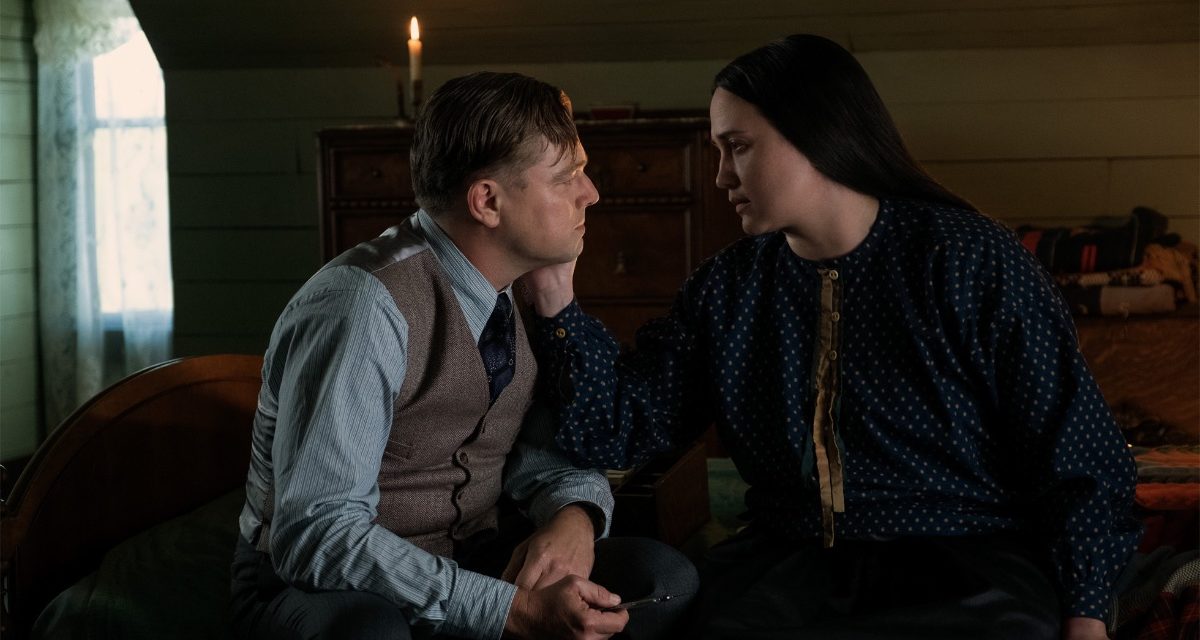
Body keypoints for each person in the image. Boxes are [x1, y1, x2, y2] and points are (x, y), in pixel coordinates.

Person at [522, 35, 1140, 640]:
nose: (721, 176)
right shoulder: (727, 288)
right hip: (785, 567)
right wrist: (555, 296)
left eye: (738, 147)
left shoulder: (969, 260)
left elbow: (1077, 452)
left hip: (967, 567)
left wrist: (1086, 609)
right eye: (718, 151)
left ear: (816, 133)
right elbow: (619, 429)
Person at [230, 71, 697, 640]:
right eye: (567, 177)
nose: (591, 193)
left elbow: (547, 453)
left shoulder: (521, 282)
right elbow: (317, 534)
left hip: (472, 553)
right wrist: (508, 610)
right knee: (368, 632)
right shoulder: (362, 305)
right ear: (487, 201)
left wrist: (575, 515)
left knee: (661, 580)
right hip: (332, 584)